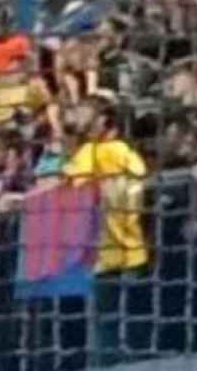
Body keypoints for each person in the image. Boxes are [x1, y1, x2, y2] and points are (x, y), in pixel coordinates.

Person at [61, 100, 152, 366]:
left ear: (104, 120)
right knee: (114, 329)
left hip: (115, 253)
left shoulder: (112, 151)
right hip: (111, 254)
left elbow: (134, 183)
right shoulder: (91, 151)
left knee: (113, 332)